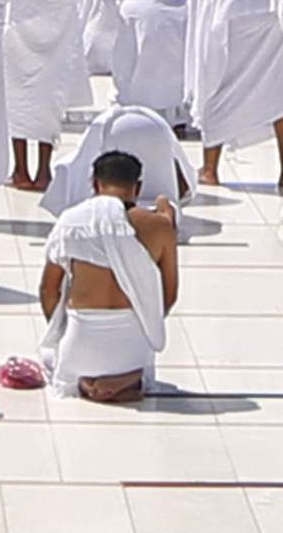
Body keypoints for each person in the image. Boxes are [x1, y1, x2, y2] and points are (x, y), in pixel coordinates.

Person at [36, 145, 178, 400]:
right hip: (133, 344)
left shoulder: (71, 220)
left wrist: (60, 330)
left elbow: (48, 290)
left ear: (95, 184)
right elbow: (169, 295)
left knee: (49, 356)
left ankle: (85, 380)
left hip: (81, 341)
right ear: (138, 187)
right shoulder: (160, 227)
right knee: (140, 361)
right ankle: (129, 378)